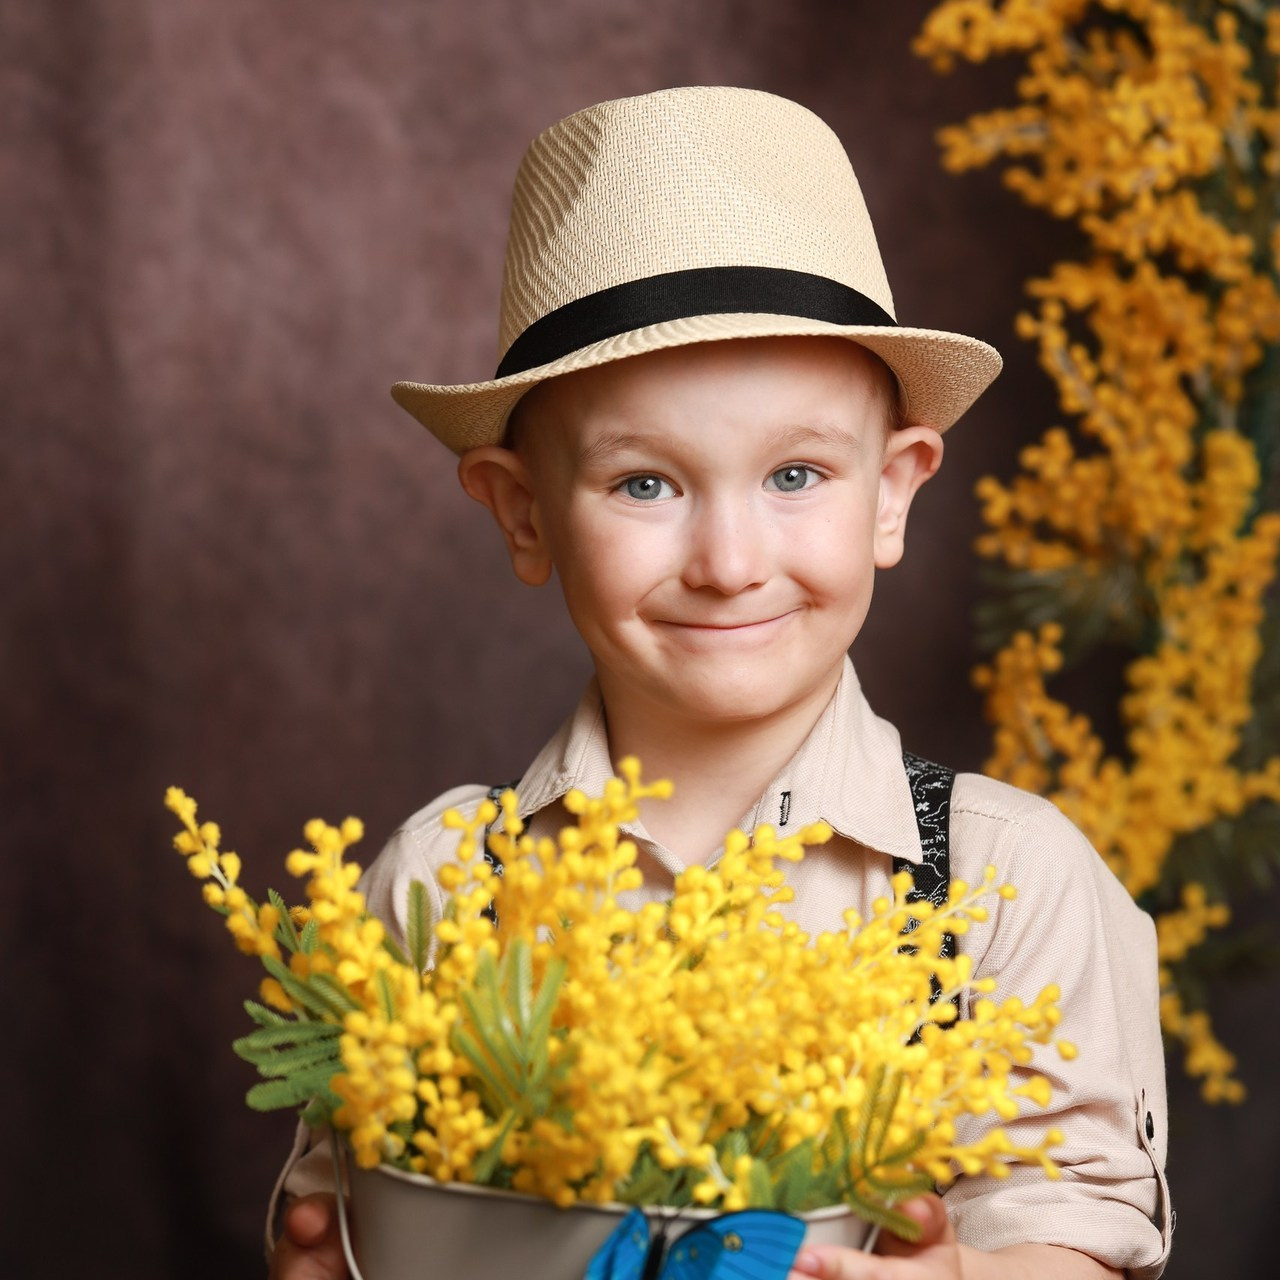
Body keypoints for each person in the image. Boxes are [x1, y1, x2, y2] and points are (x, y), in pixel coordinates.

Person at [268, 86, 1171, 1280]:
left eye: (795, 473)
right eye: (645, 484)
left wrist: (958, 1272)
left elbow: (1080, 1233)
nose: (730, 562)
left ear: (892, 490)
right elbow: (352, 1227)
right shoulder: (439, 886)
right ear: (522, 510)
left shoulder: (1006, 881)